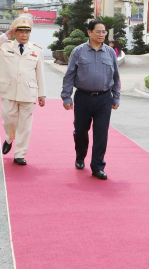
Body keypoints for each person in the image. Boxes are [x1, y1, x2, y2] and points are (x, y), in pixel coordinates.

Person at [61, 20, 120, 180]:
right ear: (89, 32)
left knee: (101, 133)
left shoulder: (110, 52)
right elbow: (69, 75)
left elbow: (116, 76)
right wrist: (66, 96)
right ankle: (80, 156)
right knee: (80, 131)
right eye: (98, 32)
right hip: (83, 98)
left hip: (104, 99)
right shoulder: (78, 51)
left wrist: (116, 97)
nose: (102, 35)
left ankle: (97, 166)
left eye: (104, 32)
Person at [0, 16, 45, 165]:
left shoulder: (36, 50)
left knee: (25, 125)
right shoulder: (5, 46)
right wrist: (5, 36)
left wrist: (42, 94)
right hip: (8, 90)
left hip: (28, 92)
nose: (24, 35)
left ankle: (19, 154)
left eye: (27, 32)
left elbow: (40, 73)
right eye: (21, 32)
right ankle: (9, 137)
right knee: (9, 119)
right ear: (15, 32)